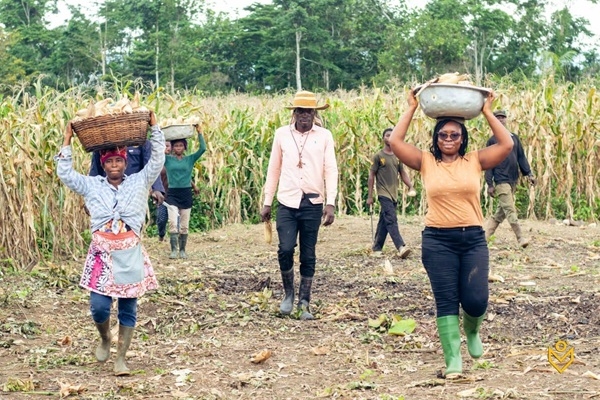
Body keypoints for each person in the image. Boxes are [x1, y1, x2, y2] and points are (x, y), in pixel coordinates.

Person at [388, 90, 513, 379]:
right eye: (443, 135)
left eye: (454, 135)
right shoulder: (425, 161)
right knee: (445, 300)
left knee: (476, 300)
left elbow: (506, 143)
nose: (448, 140)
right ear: (436, 138)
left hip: (472, 241)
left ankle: (472, 330)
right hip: (437, 241)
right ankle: (453, 359)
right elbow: (395, 142)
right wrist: (411, 107)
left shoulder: (475, 160)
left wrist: (486, 111)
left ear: (462, 138)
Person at [55, 111, 165, 376]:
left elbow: (158, 158)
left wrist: (155, 127)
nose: (115, 164)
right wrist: (67, 139)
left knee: (128, 307)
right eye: (110, 161)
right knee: (99, 306)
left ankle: (121, 358)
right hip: (102, 254)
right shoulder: (92, 186)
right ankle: (105, 337)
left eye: (119, 160)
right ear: (103, 165)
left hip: (129, 251)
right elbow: (65, 174)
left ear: (125, 163)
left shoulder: (140, 181)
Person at [260, 90, 338, 321]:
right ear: (294, 113)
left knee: (308, 253)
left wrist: (331, 202)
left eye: (309, 112)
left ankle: (304, 302)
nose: (305, 116)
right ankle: (288, 294)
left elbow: (330, 169)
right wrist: (267, 201)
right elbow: (274, 169)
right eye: (300, 111)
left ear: (314, 114)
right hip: (287, 201)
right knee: (285, 249)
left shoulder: (324, 136)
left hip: (313, 202)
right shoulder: (282, 134)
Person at [484, 110, 536, 248]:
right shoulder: (492, 140)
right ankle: (520, 238)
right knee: (510, 209)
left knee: (500, 213)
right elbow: (488, 163)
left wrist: (529, 174)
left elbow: (521, 157)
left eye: (502, 117)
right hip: (501, 181)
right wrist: (489, 183)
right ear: (493, 121)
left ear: (506, 120)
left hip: (513, 180)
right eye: (497, 118)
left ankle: (484, 238)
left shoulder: (514, 138)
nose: (500, 120)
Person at [367, 127, 416, 258]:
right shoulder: (378, 156)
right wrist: (370, 196)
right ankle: (401, 247)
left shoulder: (397, 156)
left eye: (392, 135)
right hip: (383, 193)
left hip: (394, 193)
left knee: (384, 220)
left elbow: (403, 173)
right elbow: (371, 175)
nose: (389, 138)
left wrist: (410, 186)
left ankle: (377, 248)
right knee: (391, 219)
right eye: (387, 135)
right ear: (383, 138)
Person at [163, 126, 206, 259]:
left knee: (184, 225)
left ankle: (182, 250)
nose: (178, 148)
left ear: (185, 147)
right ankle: (174, 250)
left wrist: (199, 132)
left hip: (186, 193)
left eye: (181, 145)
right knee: (172, 222)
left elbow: (203, 149)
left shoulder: (190, 159)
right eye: (176, 146)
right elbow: (156, 152)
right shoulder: (167, 159)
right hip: (172, 194)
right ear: (172, 148)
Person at [90, 139, 165, 205]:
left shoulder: (141, 142)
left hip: (134, 193)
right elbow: (95, 171)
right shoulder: (101, 143)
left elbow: (150, 167)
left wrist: (156, 188)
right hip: (108, 192)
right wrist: (92, 196)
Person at [156, 141, 172, 242]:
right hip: (162, 195)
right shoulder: (157, 162)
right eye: (164, 146)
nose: (166, 148)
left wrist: (193, 185)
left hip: (174, 195)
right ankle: (161, 235)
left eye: (168, 146)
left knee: (176, 218)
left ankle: (175, 239)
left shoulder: (175, 161)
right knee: (161, 219)